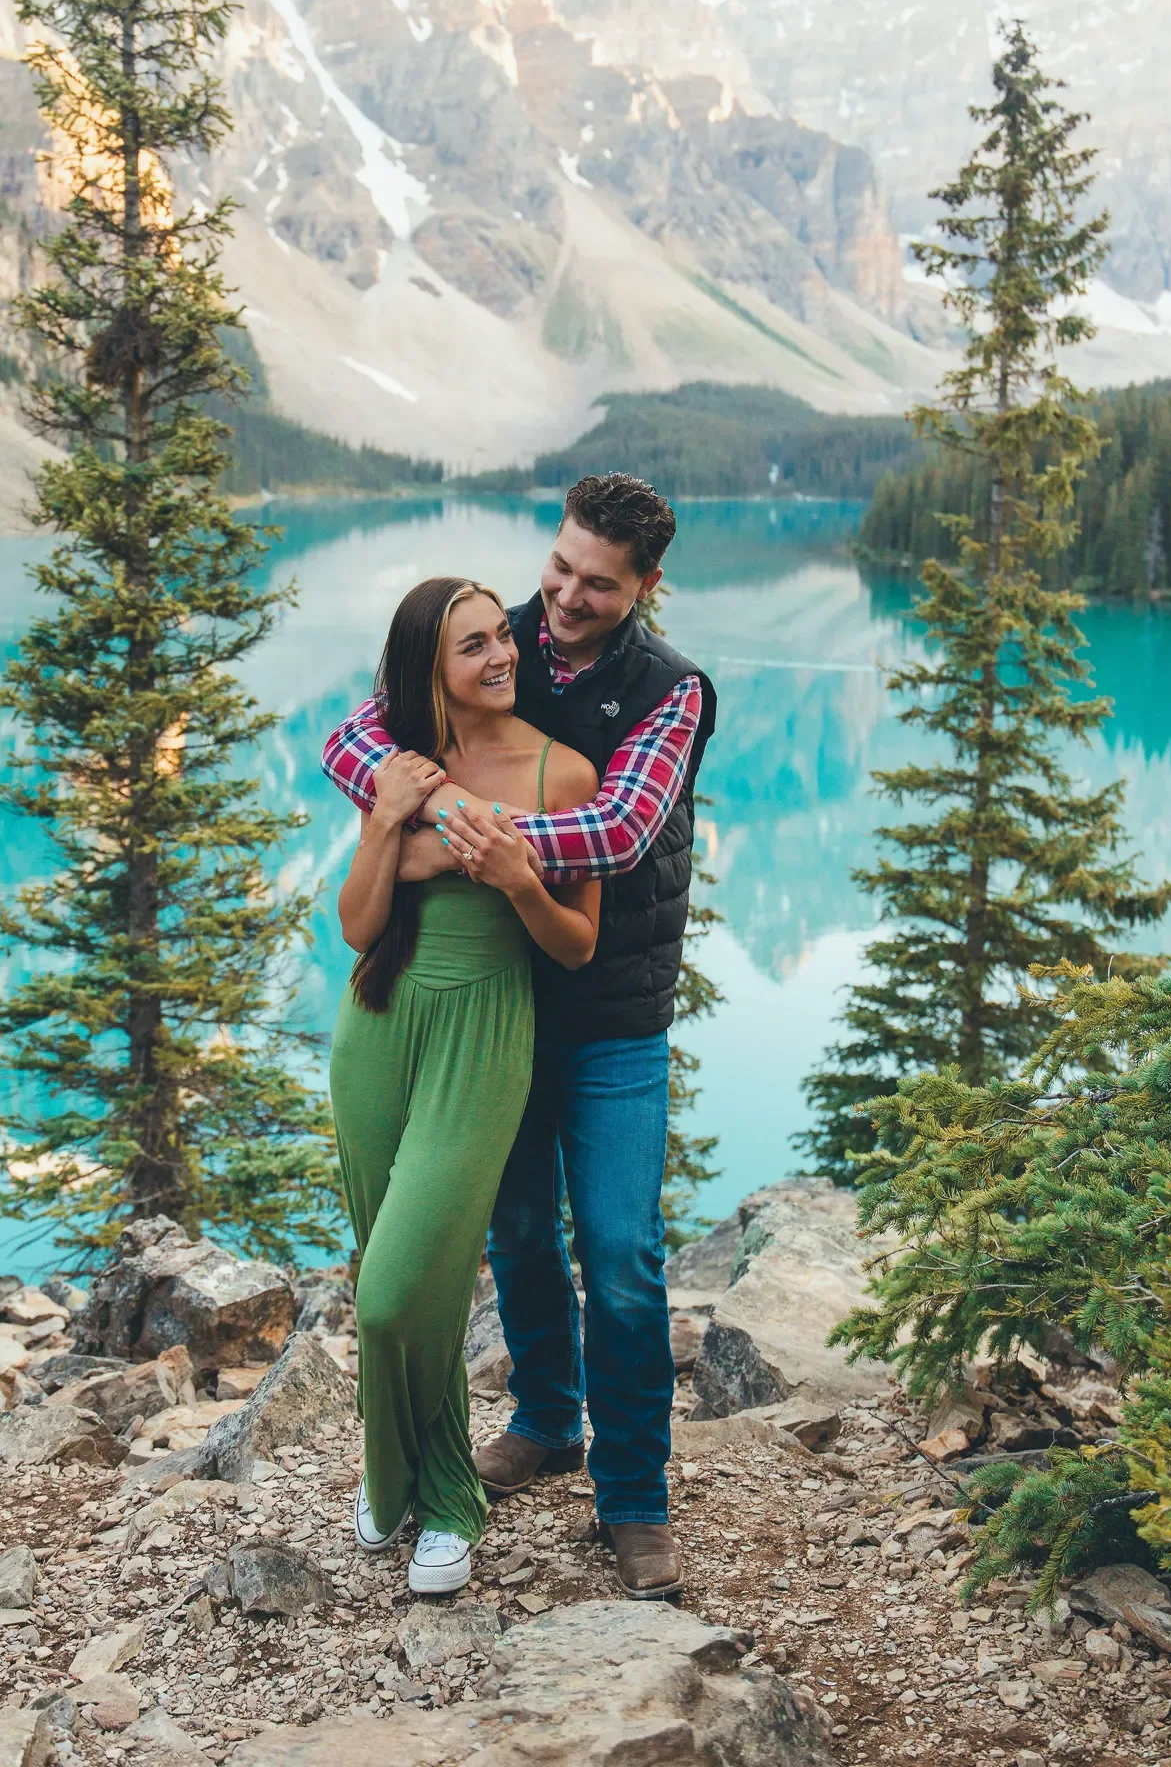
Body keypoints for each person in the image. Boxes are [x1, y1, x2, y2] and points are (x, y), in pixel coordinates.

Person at [322, 475, 716, 1600]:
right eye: (560, 567)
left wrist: (454, 832)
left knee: (625, 1259)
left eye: (598, 582)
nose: (567, 596)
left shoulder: (669, 689)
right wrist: (425, 814)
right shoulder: (505, 637)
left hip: (607, 1016)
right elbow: (357, 735)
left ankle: (633, 1496)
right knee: (518, 1235)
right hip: (483, 1014)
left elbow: (619, 827)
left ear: (645, 585)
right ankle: (546, 1419)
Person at [331, 575, 600, 1596]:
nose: (501, 656)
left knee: (405, 1284)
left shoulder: (563, 770)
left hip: (485, 1029)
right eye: (472, 646)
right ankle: (398, 1474)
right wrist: (383, 825)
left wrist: (518, 878)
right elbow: (357, 924)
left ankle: (449, 1492)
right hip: (377, 1025)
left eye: (502, 637)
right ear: (426, 668)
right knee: (387, 1271)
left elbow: (575, 944)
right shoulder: (399, 765)